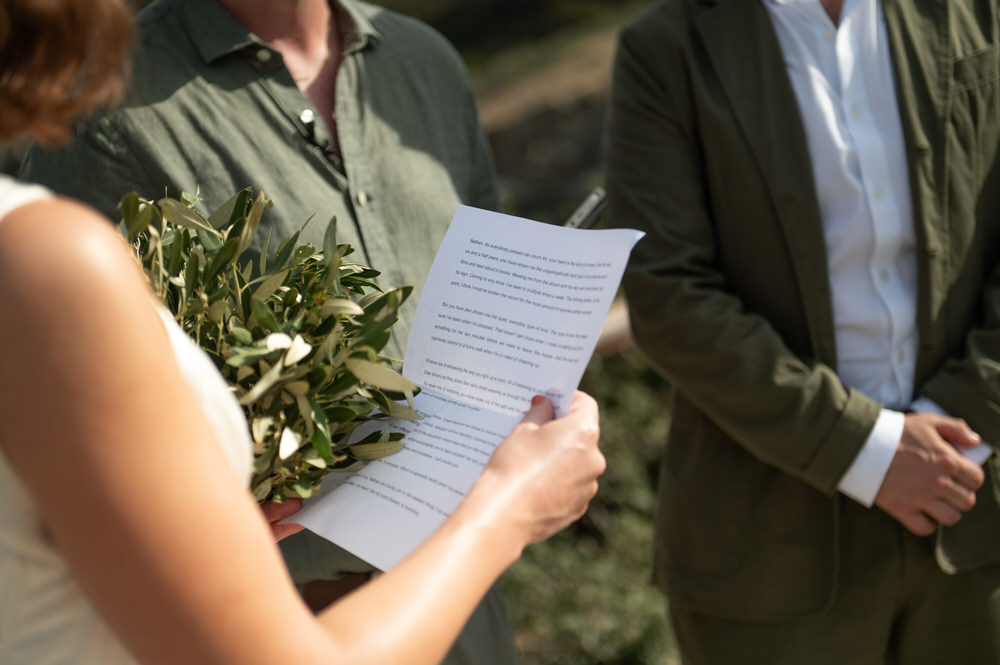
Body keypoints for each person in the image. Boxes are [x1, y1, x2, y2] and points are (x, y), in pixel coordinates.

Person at [0, 1, 607, 664]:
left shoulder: (425, 61)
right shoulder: (99, 125)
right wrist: (512, 504)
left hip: (465, 598)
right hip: (275, 609)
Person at [606, 0, 1000, 663]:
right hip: (769, 556)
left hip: (979, 516)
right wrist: (864, 448)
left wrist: (960, 415)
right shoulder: (666, 48)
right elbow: (665, 291)